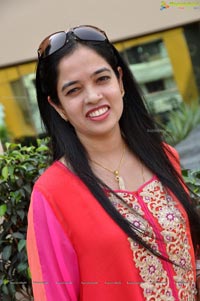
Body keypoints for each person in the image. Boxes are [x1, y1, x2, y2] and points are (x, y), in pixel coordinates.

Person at [27, 25, 200, 301]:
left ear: (120, 82)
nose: (93, 96)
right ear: (58, 106)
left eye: (102, 79)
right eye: (73, 91)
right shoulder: (51, 194)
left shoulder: (164, 157)